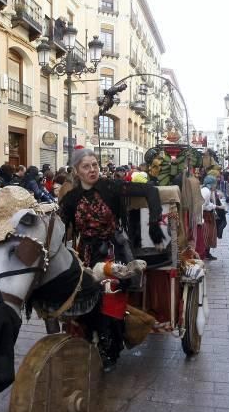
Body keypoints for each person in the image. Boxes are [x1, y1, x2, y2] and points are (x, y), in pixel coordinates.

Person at [59, 148, 165, 371]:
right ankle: (90, 341)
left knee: (111, 297)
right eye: (86, 166)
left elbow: (150, 191)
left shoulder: (111, 186)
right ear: (77, 171)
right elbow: (60, 228)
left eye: (95, 165)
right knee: (85, 298)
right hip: (85, 254)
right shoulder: (70, 198)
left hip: (113, 250)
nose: (92, 170)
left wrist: (154, 225)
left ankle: (111, 350)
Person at [199, 175, 222, 260]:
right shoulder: (206, 191)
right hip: (206, 216)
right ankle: (204, 253)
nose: (215, 186)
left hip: (208, 215)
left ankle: (206, 253)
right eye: (215, 184)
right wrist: (201, 219)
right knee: (207, 234)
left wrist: (215, 207)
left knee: (209, 234)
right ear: (211, 184)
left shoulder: (207, 191)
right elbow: (202, 205)